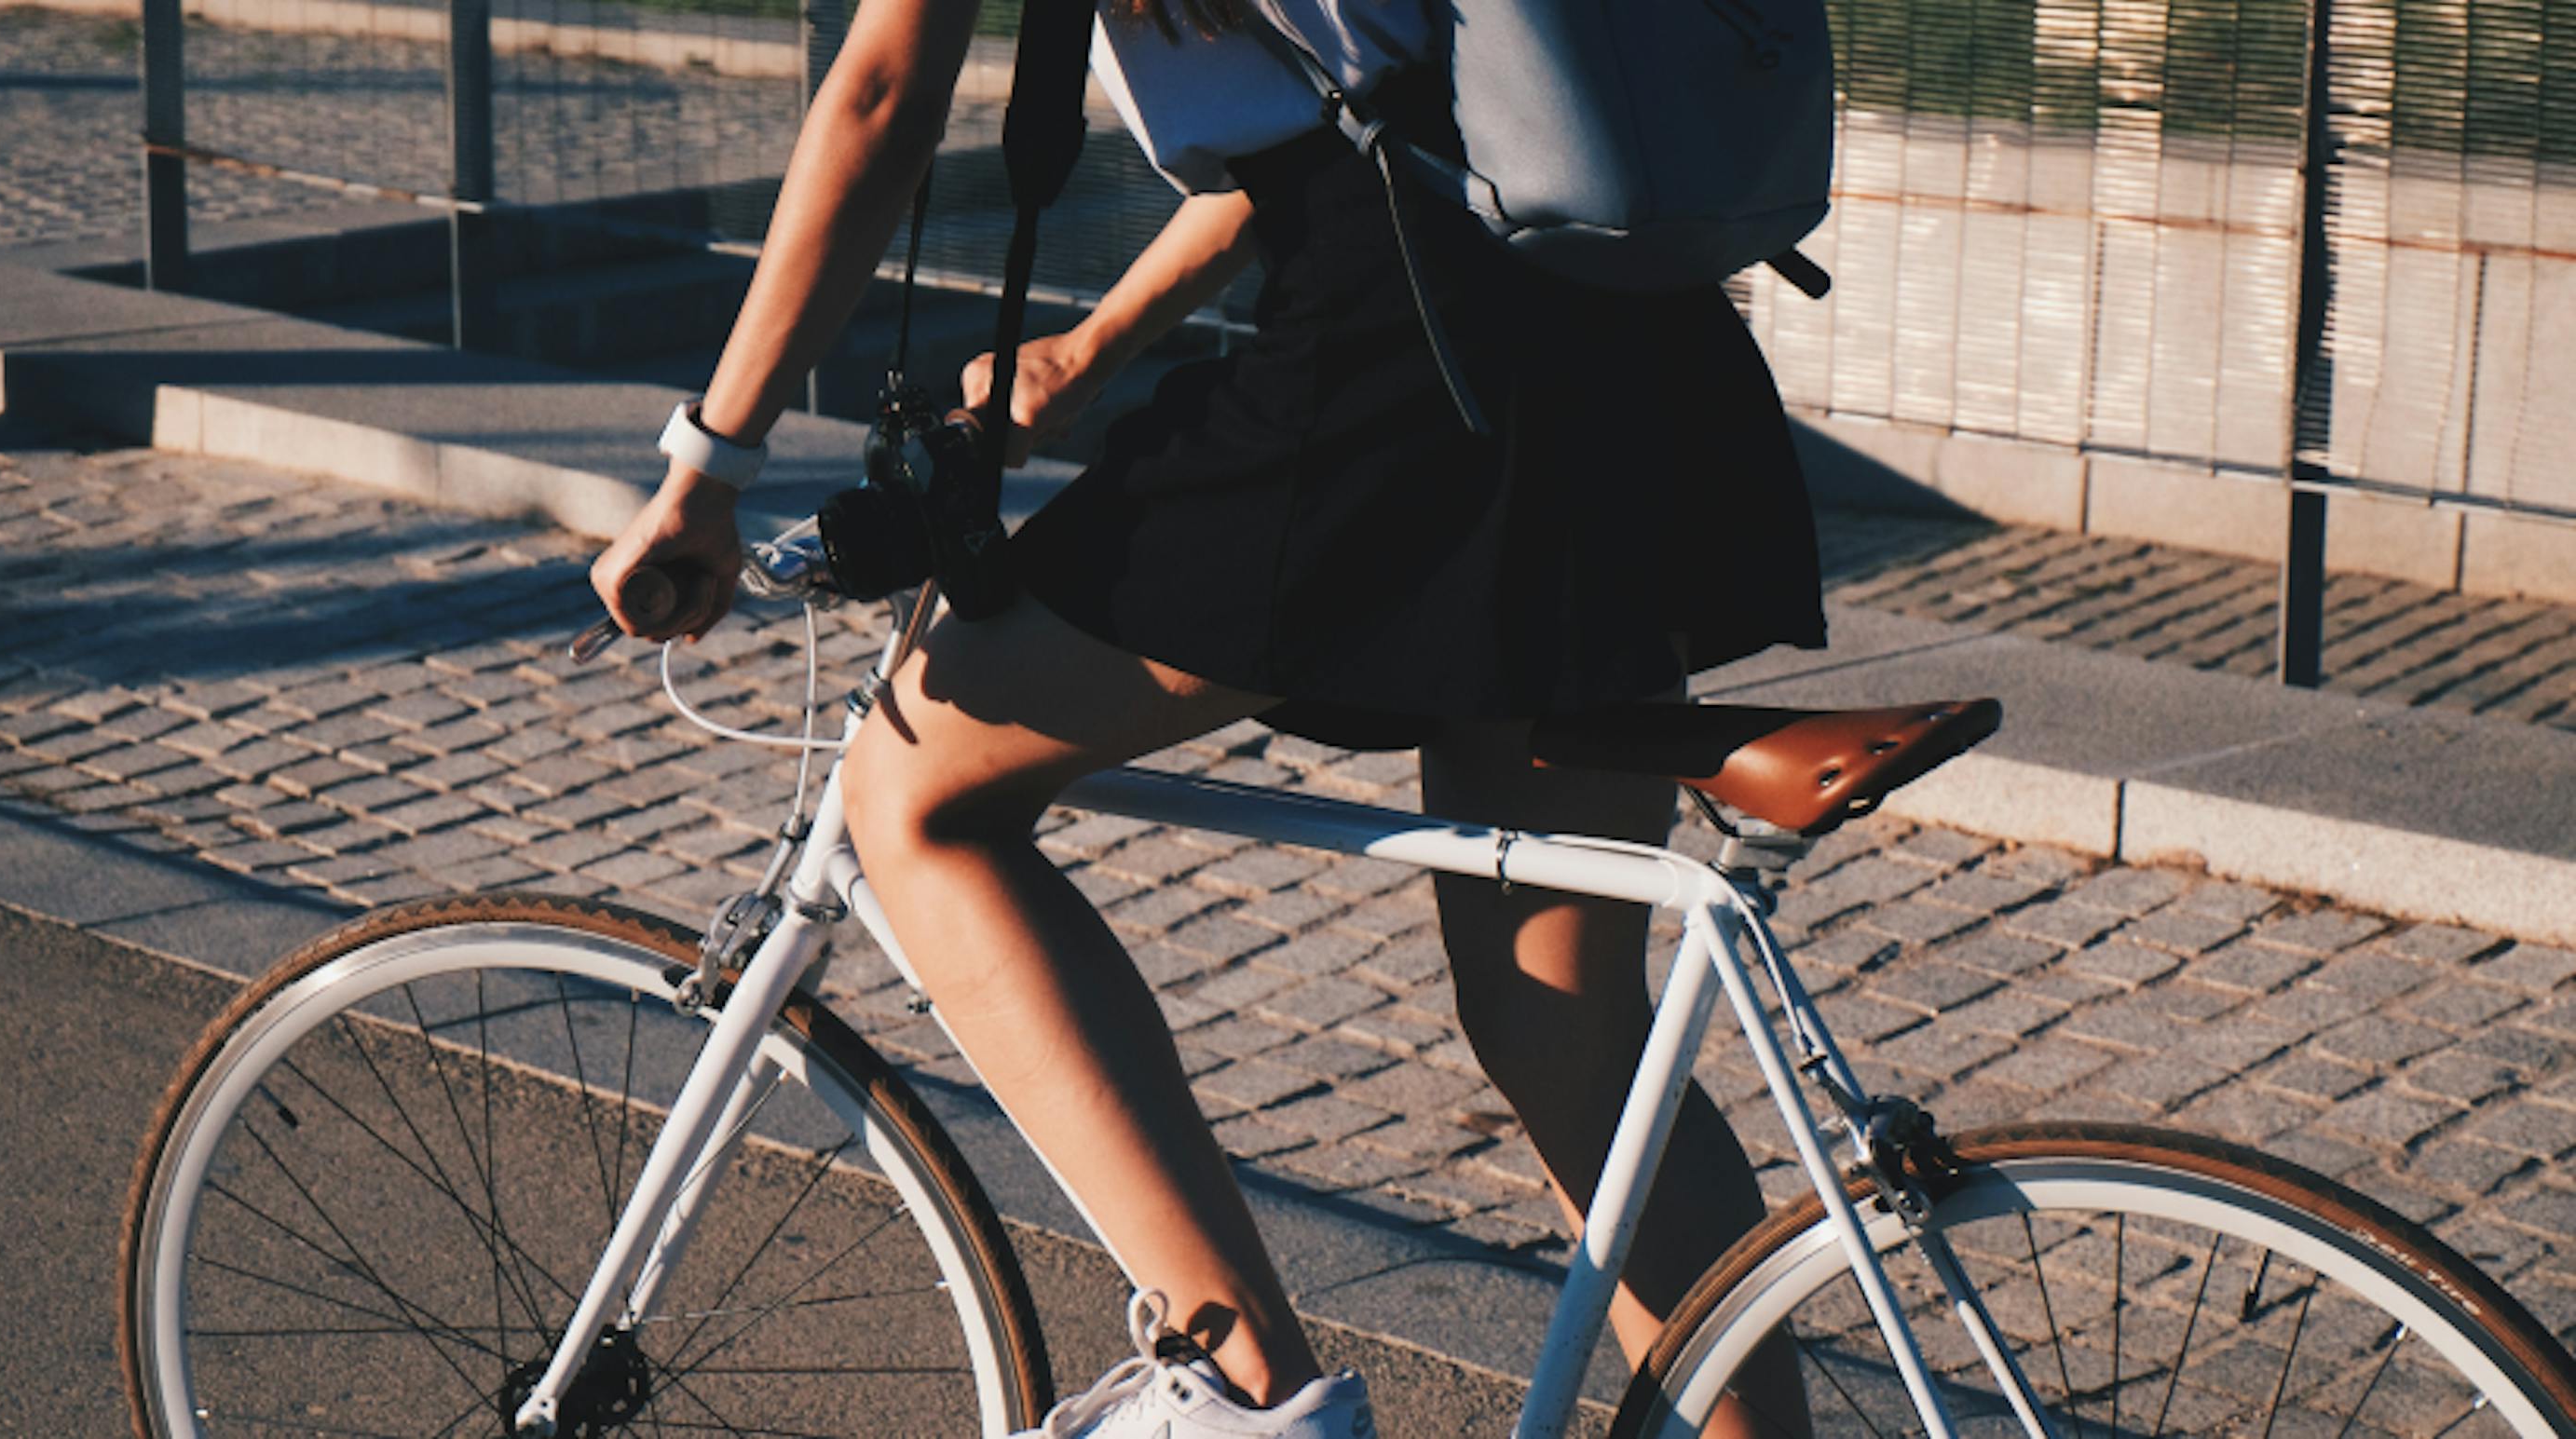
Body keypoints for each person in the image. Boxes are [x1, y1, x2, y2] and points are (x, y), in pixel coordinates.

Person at [591, 0, 1830, 1430]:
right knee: (1565, 1025)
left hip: (1401, 367)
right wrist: (1093, 346)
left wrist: (706, 467)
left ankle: (1250, 1391)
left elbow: (880, 92)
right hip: (1625, 334)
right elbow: (1382, 110)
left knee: (916, 793)